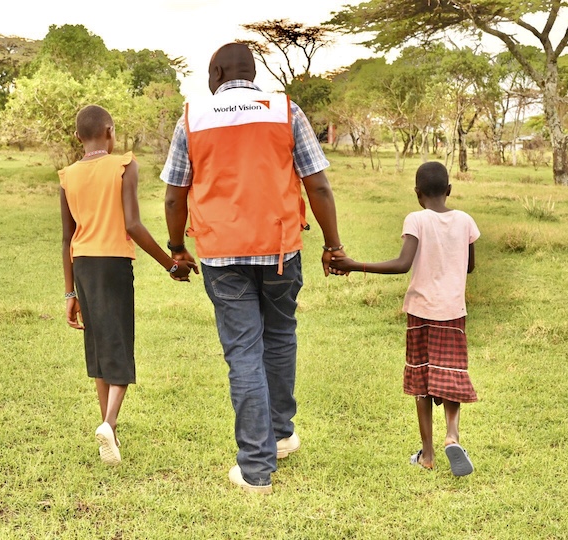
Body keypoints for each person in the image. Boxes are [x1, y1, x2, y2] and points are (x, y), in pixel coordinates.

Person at [161, 43, 346, 493]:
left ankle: (255, 469)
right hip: (281, 248)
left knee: (243, 353)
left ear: (219, 71)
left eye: (209, 73)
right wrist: (333, 244)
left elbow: (173, 194)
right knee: (280, 340)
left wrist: (176, 247)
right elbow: (317, 184)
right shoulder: (285, 110)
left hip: (222, 256)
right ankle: (281, 437)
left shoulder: (194, 116)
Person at [60, 104, 198, 466]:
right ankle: (109, 422)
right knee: (119, 342)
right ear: (110, 131)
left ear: (78, 137)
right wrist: (171, 264)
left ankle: (112, 435)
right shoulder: (124, 164)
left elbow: (66, 238)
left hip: (83, 267)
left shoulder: (67, 175)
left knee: (99, 349)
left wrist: (69, 292)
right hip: (114, 263)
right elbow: (133, 224)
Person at [329, 161, 479, 476]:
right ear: (449, 190)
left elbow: (402, 264)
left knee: (422, 381)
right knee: (450, 372)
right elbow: (469, 267)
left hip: (422, 311)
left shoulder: (416, 219)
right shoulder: (466, 221)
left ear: (417, 193)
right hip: (454, 311)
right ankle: (452, 434)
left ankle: (427, 453)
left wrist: (355, 264)